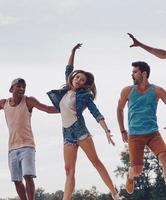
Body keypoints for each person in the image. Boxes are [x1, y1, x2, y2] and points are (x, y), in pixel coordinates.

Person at [47, 43, 122, 200]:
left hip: (81, 131)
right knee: (69, 170)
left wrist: (106, 130)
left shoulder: (85, 96)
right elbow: (69, 67)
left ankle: (115, 194)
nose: (79, 80)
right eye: (77, 77)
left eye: (82, 80)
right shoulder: (65, 90)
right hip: (67, 134)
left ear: (84, 84)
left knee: (95, 162)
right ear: (73, 78)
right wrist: (73, 51)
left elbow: (96, 113)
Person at [117, 61, 166, 200]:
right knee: (137, 171)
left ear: (144, 73)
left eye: (135, 72)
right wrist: (122, 130)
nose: (132, 74)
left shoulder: (157, 90)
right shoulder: (127, 90)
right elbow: (119, 109)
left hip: (153, 134)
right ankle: (130, 175)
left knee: (165, 158)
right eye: (132, 72)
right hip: (135, 135)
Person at [0, 78, 58, 200]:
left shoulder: (29, 101)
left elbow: (47, 109)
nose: (21, 89)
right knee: (16, 180)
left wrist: (67, 109)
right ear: (11, 89)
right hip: (12, 148)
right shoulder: (3, 103)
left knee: (28, 176)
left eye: (23, 87)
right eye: (18, 86)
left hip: (27, 146)